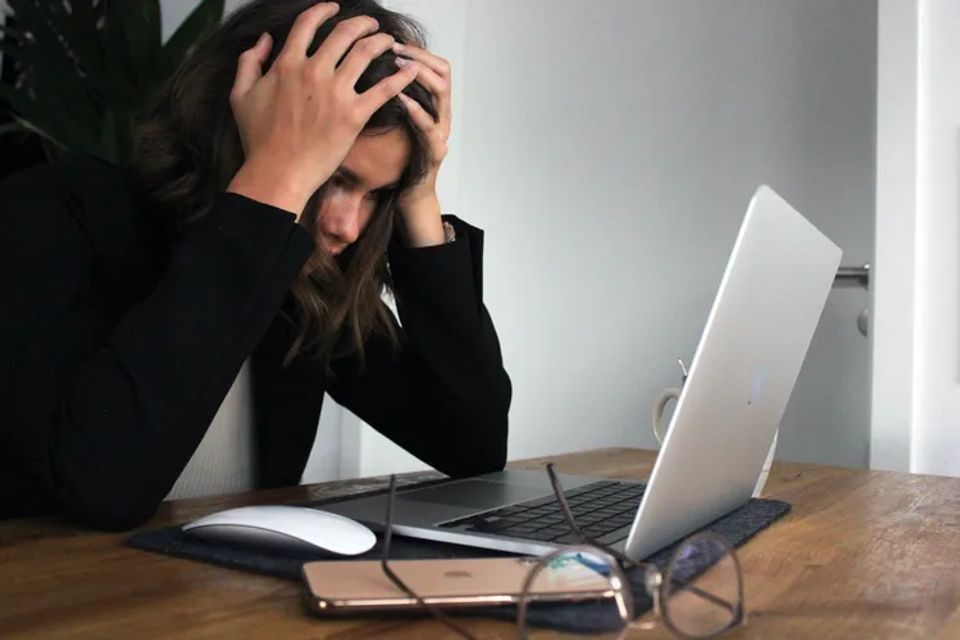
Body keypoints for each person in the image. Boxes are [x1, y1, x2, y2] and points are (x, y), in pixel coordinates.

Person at [0, 0, 511, 530]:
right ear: (235, 123)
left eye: (376, 195)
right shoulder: (50, 214)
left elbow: (472, 444)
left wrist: (418, 196)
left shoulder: (301, 279)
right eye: (332, 177)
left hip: (233, 607)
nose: (347, 227)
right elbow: (101, 488)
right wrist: (275, 179)